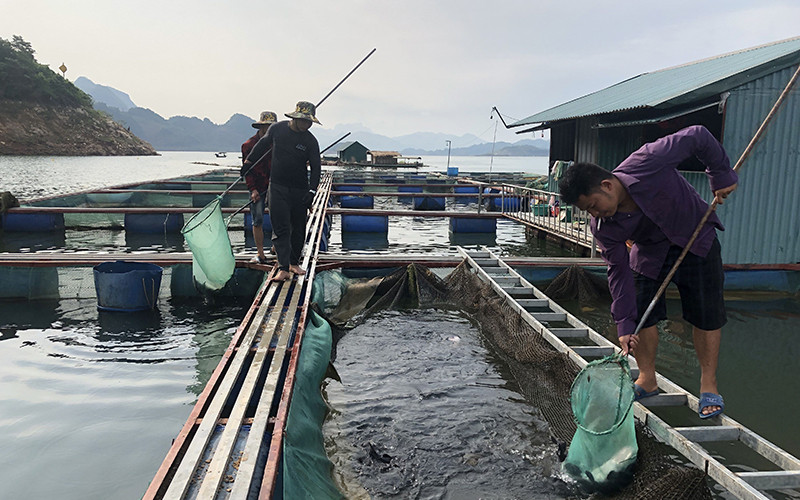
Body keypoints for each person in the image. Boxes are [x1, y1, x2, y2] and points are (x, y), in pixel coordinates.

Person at [558, 125, 738, 419]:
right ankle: (647, 378)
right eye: (588, 212)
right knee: (639, 310)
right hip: (650, 252)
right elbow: (617, 273)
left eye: (593, 206)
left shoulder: (647, 160)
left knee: (706, 313)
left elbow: (697, 136)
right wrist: (624, 325)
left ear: (607, 185)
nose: (595, 215)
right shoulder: (604, 226)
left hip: (695, 237)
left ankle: (708, 383)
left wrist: (720, 175)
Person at [243, 101, 321, 281]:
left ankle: (294, 263)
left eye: (310, 122)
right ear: (295, 118)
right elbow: (262, 145)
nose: (308, 125)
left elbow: (316, 168)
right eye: (305, 121)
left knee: (298, 227)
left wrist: (312, 192)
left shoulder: (310, 140)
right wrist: (248, 163)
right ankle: (284, 267)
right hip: (277, 187)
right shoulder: (277, 129)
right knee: (281, 227)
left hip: (300, 189)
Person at [242, 111, 277, 264]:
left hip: (275, 186)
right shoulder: (248, 145)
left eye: (272, 127)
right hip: (257, 187)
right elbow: (247, 171)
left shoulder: (277, 144)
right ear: (261, 126)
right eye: (267, 127)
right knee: (257, 220)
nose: (269, 130)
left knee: (279, 218)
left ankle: (276, 248)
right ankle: (260, 253)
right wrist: (253, 189)